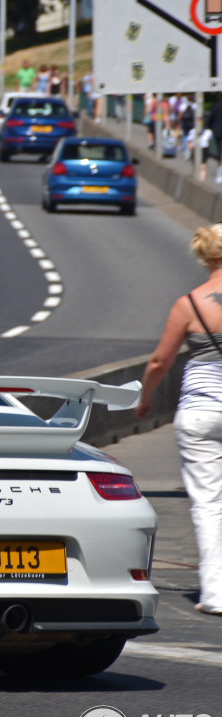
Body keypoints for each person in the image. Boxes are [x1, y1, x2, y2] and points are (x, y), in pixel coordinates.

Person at [137, 224, 222, 616]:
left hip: (201, 410)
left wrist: (146, 396)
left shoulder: (189, 303)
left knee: (208, 503)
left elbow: (160, 361)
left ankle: (216, 594)